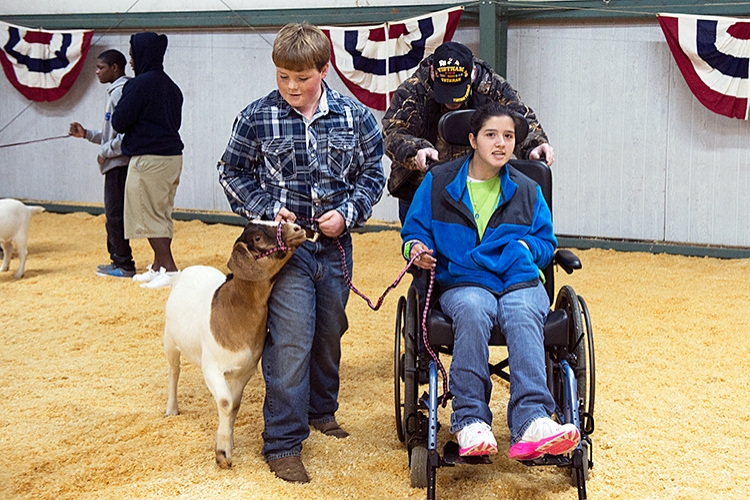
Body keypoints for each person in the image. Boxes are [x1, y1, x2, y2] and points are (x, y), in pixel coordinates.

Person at [216, 23, 385, 483]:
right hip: (281, 253)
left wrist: (348, 213)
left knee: (330, 331)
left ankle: (321, 409)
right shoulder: (255, 116)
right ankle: (284, 441)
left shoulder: (356, 116)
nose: (292, 87)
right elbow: (231, 171)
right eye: (283, 77)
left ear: (324, 70)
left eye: (302, 78)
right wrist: (269, 210)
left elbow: (374, 174)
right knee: (291, 338)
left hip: (334, 248)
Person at [400, 103, 579, 460]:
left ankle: (533, 421)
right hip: (465, 281)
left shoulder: (528, 189)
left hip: (519, 281)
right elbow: (413, 232)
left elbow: (547, 245)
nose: (501, 144)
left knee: (522, 310)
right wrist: (415, 249)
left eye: (509, 136)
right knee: (472, 306)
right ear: (472, 139)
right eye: (491, 135)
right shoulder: (438, 183)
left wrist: (528, 246)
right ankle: (470, 421)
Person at [383, 41, 555, 223]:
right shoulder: (413, 90)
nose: (451, 101)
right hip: (421, 184)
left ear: (472, 74)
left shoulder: (492, 87)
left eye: (457, 91)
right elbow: (393, 129)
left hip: (478, 184)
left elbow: (518, 119)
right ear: (433, 73)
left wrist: (535, 145)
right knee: (418, 242)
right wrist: (416, 150)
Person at [111, 32, 184, 289]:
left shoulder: (139, 85)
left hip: (149, 159)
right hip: (172, 157)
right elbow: (175, 122)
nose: (130, 61)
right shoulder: (171, 86)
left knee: (149, 214)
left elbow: (119, 121)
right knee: (161, 212)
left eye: (132, 55)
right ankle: (158, 266)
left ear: (141, 55)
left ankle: (170, 269)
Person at [69, 49, 135, 278]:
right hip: (114, 162)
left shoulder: (120, 93)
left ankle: (124, 264)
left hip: (118, 165)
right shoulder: (114, 92)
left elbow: (126, 136)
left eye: (101, 67)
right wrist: (86, 134)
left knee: (115, 215)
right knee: (113, 214)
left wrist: (104, 152)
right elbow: (110, 134)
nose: (96, 72)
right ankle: (117, 259)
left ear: (115, 67)